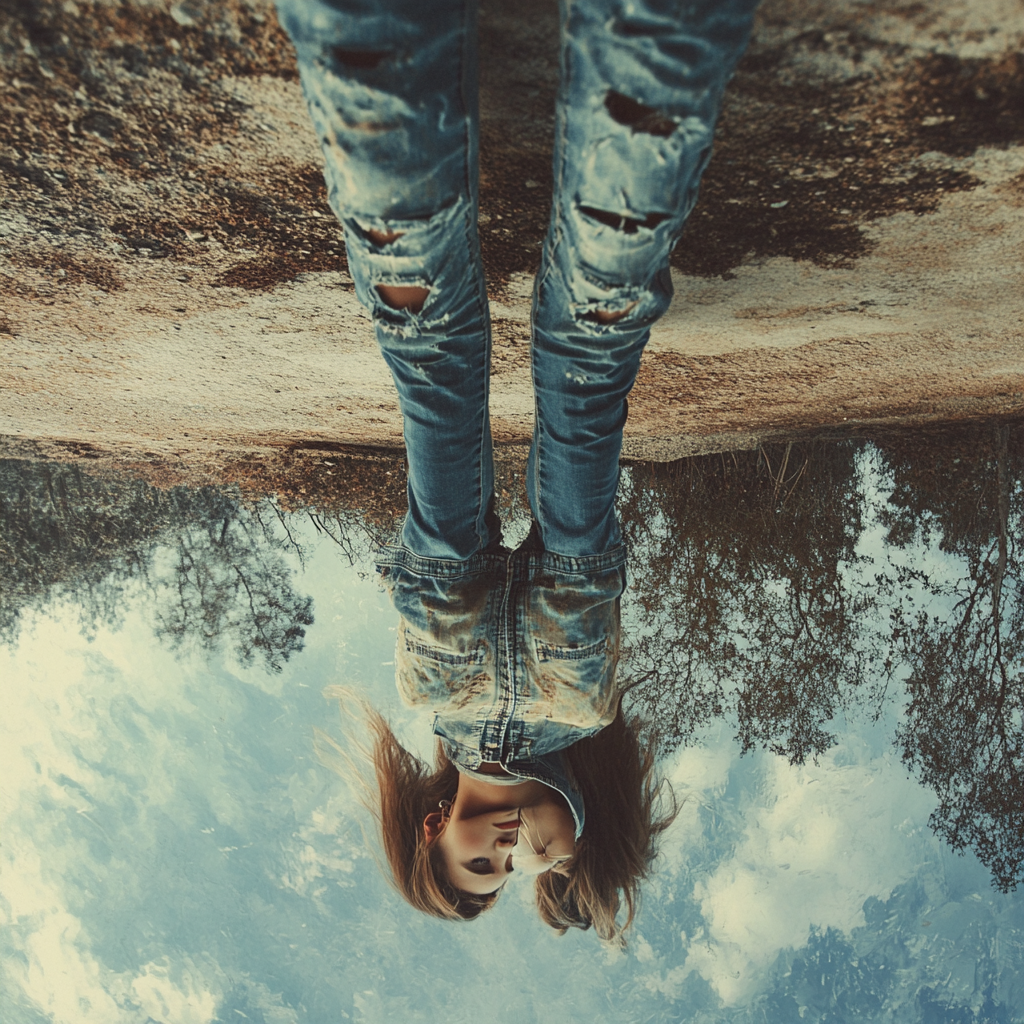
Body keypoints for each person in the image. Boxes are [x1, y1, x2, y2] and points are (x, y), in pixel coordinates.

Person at [276, 0, 760, 940]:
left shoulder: (430, 702)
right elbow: (576, 851)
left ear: (431, 829)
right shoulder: (583, 729)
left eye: (477, 865)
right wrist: (565, 857)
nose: (503, 853)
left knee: (429, 356)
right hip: (574, 616)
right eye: (515, 866)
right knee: (593, 351)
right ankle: (652, 38)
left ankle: (376, 39)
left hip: (444, 607)